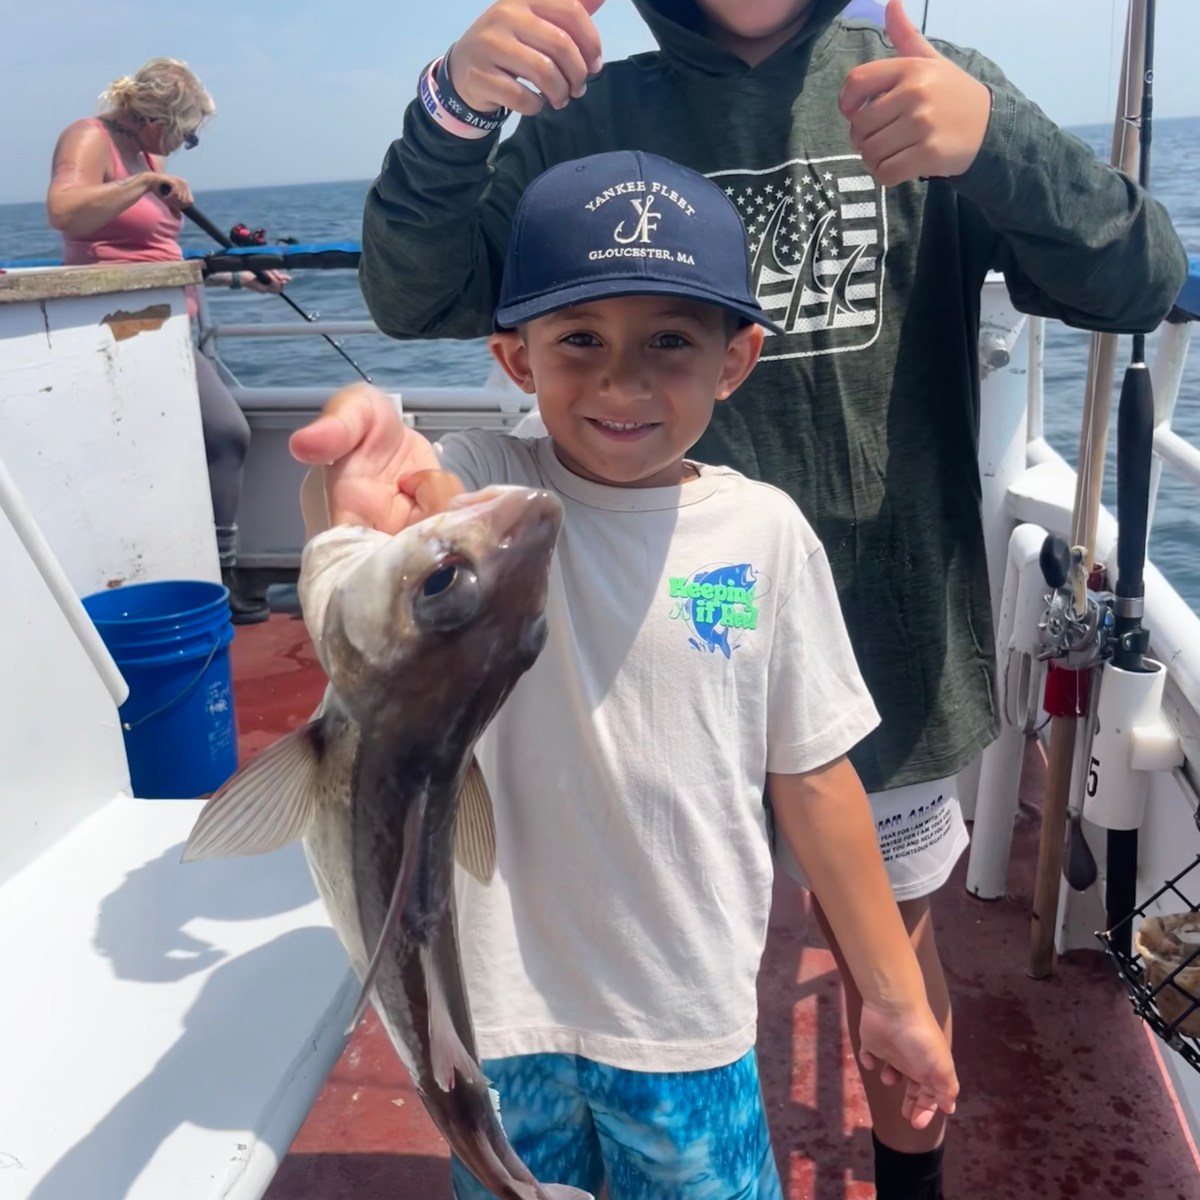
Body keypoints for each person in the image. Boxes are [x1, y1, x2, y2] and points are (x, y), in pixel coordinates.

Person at [330, 2, 1189, 1195]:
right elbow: (412, 295)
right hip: (620, 665)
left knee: (894, 953)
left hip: (883, 650)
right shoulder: (578, 112)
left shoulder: (921, 78)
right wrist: (453, 111)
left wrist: (996, 143)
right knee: (625, 964)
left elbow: (1139, 279)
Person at [294, 147, 957, 1200]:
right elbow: (410, 512)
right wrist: (372, 451)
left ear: (736, 358)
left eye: (669, 342)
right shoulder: (496, 495)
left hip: (682, 1020)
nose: (621, 381)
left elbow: (816, 778)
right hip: (496, 1022)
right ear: (515, 359)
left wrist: (891, 993)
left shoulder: (766, 534)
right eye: (579, 341)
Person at [46, 57, 289, 623]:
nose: (185, 144)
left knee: (184, 453)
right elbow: (63, 211)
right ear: (156, 119)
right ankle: (222, 580)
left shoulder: (149, 156)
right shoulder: (90, 138)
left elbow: (161, 255)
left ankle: (205, 575)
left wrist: (239, 276)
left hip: (173, 327)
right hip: (119, 330)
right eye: (187, 133)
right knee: (227, 433)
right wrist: (140, 183)